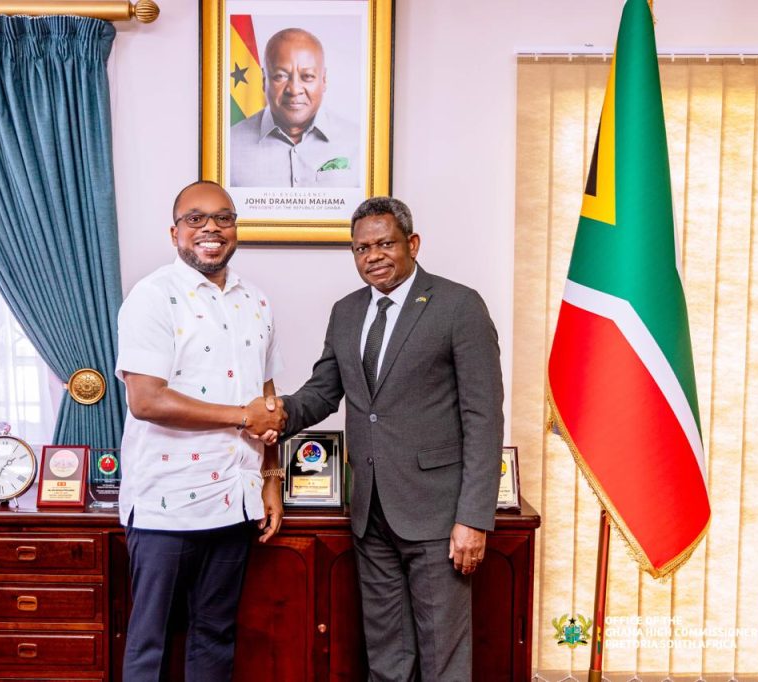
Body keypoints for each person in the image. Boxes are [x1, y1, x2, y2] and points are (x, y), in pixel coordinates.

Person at [277, 196, 504, 680]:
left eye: (385, 244)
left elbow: (483, 416)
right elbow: (323, 392)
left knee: (443, 656)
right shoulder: (346, 312)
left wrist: (472, 517)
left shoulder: (458, 306)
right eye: (362, 248)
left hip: (438, 514)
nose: (373, 256)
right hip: (370, 511)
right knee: (386, 653)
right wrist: (276, 414)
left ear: (412, 244)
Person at [115, 180, 288, 681]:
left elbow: (266, 403)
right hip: (165, 504)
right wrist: (242, 416)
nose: (211, 228)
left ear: (236, 229)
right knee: (149, 642)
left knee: (215, 636)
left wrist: (271, 479)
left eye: (223, 218)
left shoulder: (256, 301)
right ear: (174, 233)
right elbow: (146, 400)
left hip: (235, 500)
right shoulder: (152, 297)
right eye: (195, 218)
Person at [230, 27, 360, 188]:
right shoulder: (229, 146)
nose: (294, 89)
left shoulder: (358, 142)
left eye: (307, 76)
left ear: (324, 79)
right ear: (264, 80)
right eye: (280, 76)